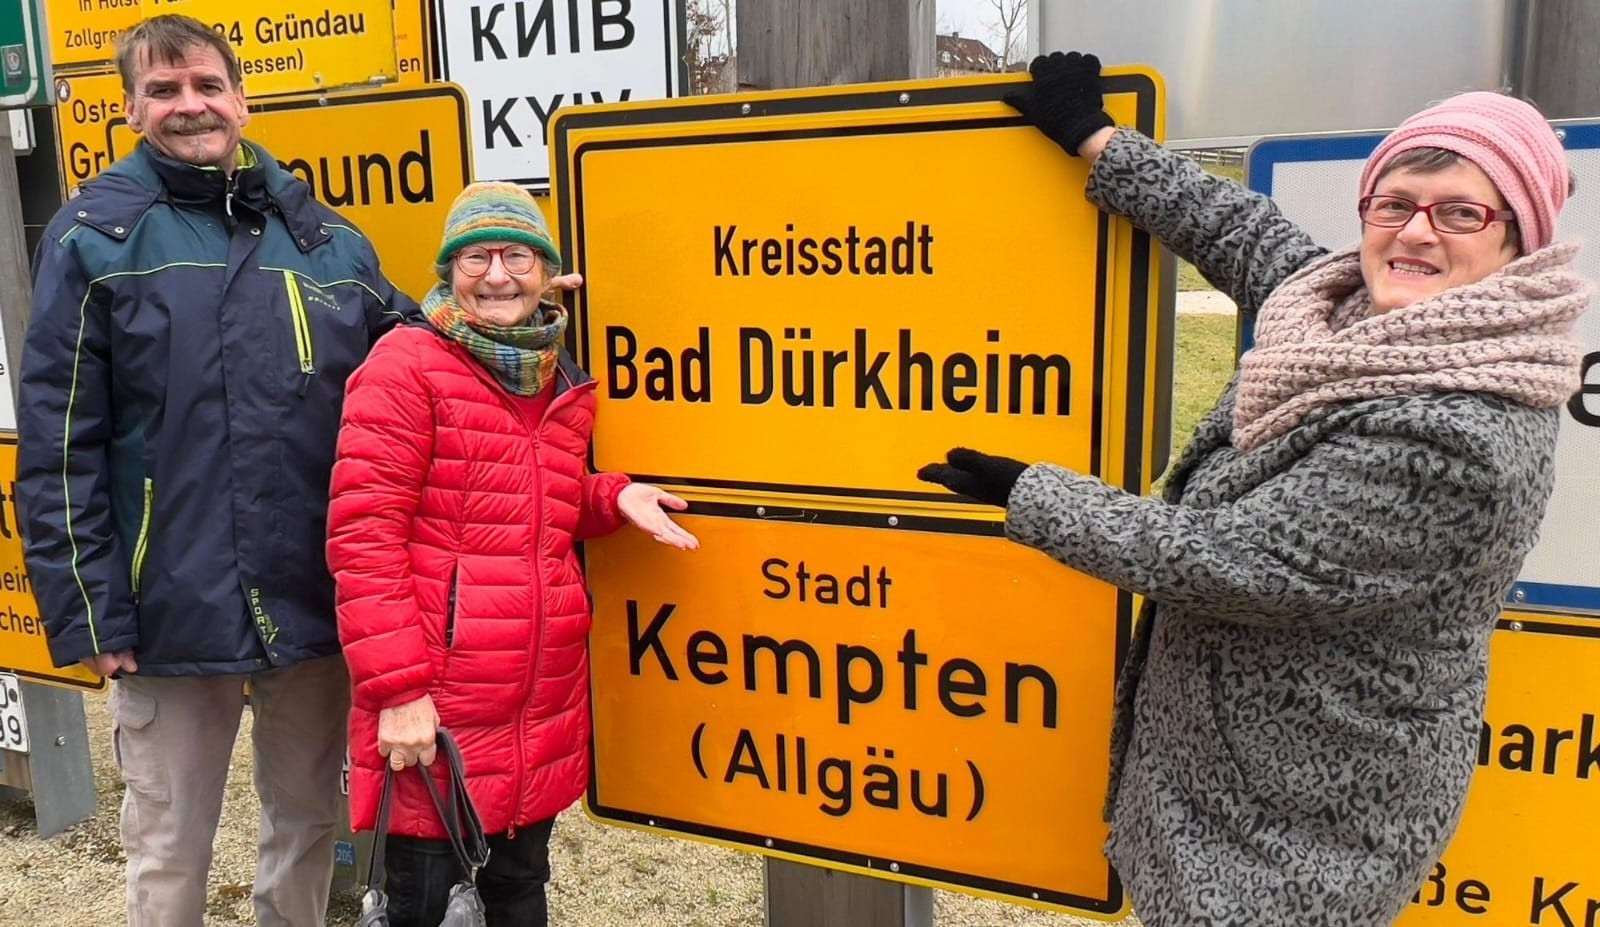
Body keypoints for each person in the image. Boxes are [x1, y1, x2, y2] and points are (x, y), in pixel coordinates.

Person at [918, 53, 1590, 926]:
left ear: (1516, 239)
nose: (1417, 231)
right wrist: (1100, 141)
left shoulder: (1460, 434)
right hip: (1228, 774)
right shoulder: (1358, 319)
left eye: (1461, 211)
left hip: (1296, 832)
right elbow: (1247, 236)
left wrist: (1033, 494)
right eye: (1395, 203)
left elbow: (1234, 560)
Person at [15, 14, 418, 926]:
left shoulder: (324, 242)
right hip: (166, 607)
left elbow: (417, 359)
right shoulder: (93, 238)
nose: (188, 106)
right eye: (163, 91)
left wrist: (506, 305)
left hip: (311, 598)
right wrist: (88, 605)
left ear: (242, 97)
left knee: (308, 827)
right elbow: (58, 436)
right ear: (129, 110)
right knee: (168, 848)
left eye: (204, 85)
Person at [326, 181, 699, 926]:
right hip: (441, 710)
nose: (497, 274)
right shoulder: (406, 365)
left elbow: (531, 504)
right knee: (426, 906)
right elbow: (363, 535)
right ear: (447, 270)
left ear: (546, 269)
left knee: (519, 894)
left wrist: (609, 496)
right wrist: (397, 693)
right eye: (476, 257)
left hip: (537, 708)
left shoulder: (556, 375)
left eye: (518, 255)